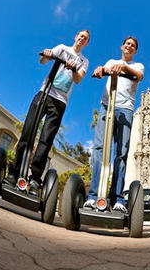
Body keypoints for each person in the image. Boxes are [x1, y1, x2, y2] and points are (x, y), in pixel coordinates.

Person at [5, 30, 90, 197]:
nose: (82, 39)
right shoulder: (62, 48)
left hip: (60, 102)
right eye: (80, 36)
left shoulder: (84, 61)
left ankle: (35, 179)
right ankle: (13, 173)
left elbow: (78, 79)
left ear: (86, 43)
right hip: (44, 93)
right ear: (75, 36)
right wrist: (48, 54)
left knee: (46, 140)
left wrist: (73, 69)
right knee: (28, 131)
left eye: (85, 39)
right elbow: (43, 60)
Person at [84, 36, 144, 213]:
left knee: (121, 153)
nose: (129, 47)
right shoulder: (111, 61)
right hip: (106, 106)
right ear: (122, 46)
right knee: (99, 149)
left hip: (125, 110)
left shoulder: (137, 65)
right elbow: (103, 70)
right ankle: (93, 196)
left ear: (135, 51)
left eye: (133, 46)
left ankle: (117, 199)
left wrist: (123, 67)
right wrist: (100, 69)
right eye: (127, 44)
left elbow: (138, 76)